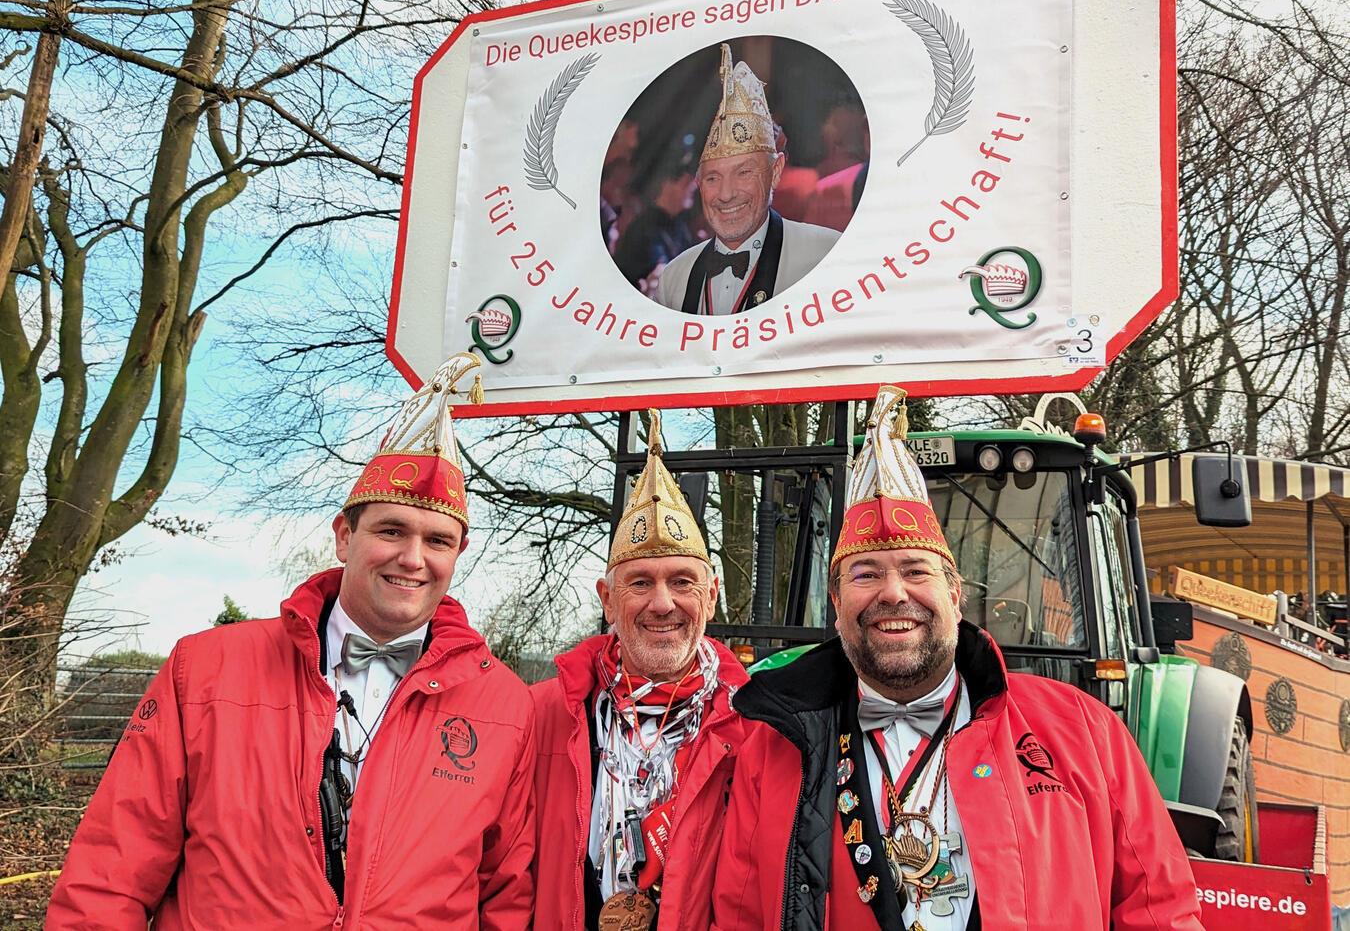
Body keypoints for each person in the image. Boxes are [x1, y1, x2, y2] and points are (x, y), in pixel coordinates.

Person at [47, 353, 536, 929]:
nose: (412, 558)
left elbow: (506, 895)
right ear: (343, 536)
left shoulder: (506, 704)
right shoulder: (203, 670)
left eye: (438, 541)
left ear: (458, 555)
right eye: (391, 530)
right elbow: (112, 870)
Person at [710, 386, 1203, 930]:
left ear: (956, 594)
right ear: (835, 603)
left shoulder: (1086, 732)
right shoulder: (770, 749)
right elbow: (740, 913)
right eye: (866, 573)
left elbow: (1159, 911)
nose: (893, 594)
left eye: (916, 571)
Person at [531, 409, 748, 930]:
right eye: (639, 583)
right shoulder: (541, 714)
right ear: (607, 599)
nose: (662, 603)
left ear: (711, 596)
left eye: (682, 582)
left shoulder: (758, 723)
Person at [655, 43, 840, 316]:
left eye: (743, 172)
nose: (726, 194)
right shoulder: (673, 279)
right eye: (712, 178)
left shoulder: (826, 255)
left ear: (775, 172)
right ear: (697, 184)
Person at [613, 157, 697, 294]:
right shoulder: (644, 227)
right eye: (685, 181)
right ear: (666, 184)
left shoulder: (681, 230)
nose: (691, 187)